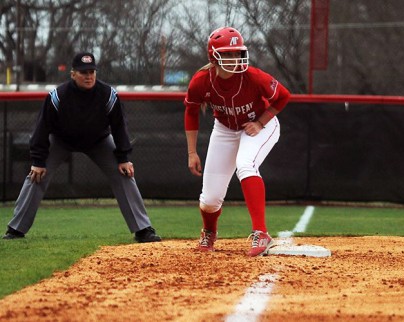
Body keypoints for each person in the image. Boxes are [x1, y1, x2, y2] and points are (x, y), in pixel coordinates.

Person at [2, 52, 161, 243]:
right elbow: (41, 128)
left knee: (124, 173)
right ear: (73, 74)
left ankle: (143, 229)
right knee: (37, 174)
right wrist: (38, 161)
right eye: (83, 72)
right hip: (60, 140)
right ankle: (16, 229)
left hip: (98, 141)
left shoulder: (108, 95)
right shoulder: (58, 96)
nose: (88, 76)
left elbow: (120, 127)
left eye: (92, 71)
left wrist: (124, 157)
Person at [184, 27, 291, 256]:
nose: (235, 59)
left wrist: (261, 122)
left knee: (246, 164)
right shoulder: (201, 81)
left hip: (259, 126)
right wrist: (192, 152)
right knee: (210, 199)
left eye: (237, 53)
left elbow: (283, 96)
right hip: (224, 129)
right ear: (214, 56)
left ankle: (261, 233)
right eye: (228, 54)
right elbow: (191, 112)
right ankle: (209, 232)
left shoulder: (253, 76)